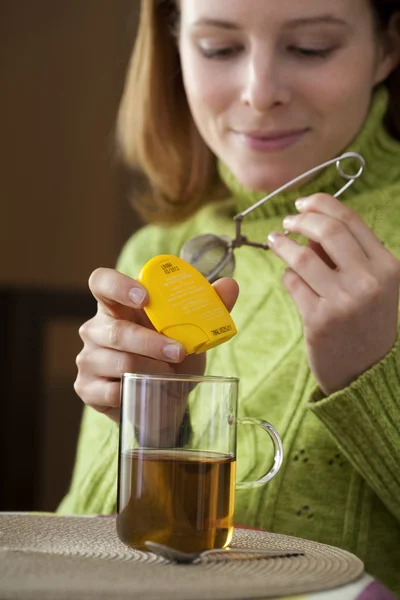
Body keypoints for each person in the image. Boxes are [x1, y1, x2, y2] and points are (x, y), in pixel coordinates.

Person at [59, 0, 400, 593]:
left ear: (388, 49)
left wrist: (372, 381)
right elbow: (74, 558)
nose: (259, 92)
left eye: (311, 47)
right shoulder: (157, 250)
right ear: (175, 51)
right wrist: (155, 427)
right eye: (219, 48)